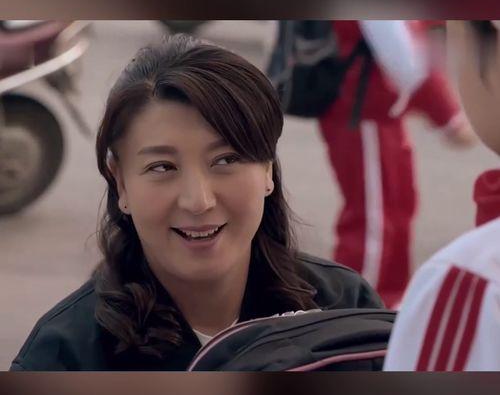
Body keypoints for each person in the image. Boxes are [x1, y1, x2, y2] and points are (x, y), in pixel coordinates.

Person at [11, 35, 382, 372]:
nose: (199, 201)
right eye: (162, 167)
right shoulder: (66, 357)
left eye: (226, 159)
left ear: (268, 168)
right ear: (120, 182)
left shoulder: (345, 309)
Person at [318, 20, 475, 309]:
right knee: (374, 220)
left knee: (395, 208)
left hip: (375, 108)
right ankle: (352, 309)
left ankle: (386, 301)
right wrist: (448, 117)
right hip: (364, 109)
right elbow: (406, 58)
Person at [384, 20, 500, 371]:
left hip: (369, 110)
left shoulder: (475, 282)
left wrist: (445, 114)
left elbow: (403, 54)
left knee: (377, 217)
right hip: (372, 110)